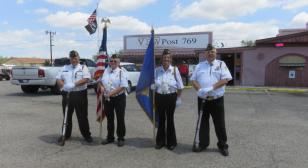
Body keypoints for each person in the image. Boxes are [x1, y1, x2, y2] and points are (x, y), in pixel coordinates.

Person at [190, 44, 232, 156]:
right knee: (203, 123)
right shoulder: (199, 66)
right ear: (205, 53)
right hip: (202, 99)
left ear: (216, 53)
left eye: (212, 51)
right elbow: (193, 80)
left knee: (220, 124)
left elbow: (225, 79)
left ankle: (223, 145)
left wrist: (211, 87)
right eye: (208, 52)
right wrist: (199, 90)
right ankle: (203, 144)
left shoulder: (221, 64)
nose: (210, 53)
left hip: (216, 100)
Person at [56, 50, 93, 143]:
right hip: (67, 94)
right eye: (72, 58)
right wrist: (63, 86)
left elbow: (86, 79)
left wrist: (73, 84)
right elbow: (58, 78)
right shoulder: (65, 67)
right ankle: (65, 135)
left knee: (82, 116)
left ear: (78, 58)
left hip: (80, 94)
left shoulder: (83, 67)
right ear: (70, 58)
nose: (74, 60)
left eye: (75, 58)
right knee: (67, 116)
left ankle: (86, 135)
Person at [154, 49, 184, 150]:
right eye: (164, 58)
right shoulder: (157, 70)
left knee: (170, 119)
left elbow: (180, 86)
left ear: (170, 59)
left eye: (168, 58)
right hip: (159, 97)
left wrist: (178, 98)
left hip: (171, 97)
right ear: (162, 59)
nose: (166, 59)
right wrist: (152, 86)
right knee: (161, 119)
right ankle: (160, 142)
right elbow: (152, 83)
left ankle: (171, 142)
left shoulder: (175, 70)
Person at [98, 54, 128, 147]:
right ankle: (110, 137)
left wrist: (109, 94)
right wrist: (102, 87)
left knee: (120, 118)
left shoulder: (122, 72)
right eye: (111, 61)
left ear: (119, 63)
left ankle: (121, 138)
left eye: (115, 61)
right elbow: (100, 81)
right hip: (108, 98)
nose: (113, 62)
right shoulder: (105, 71)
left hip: (119, 98)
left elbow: (122, 87)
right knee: (110, 118)